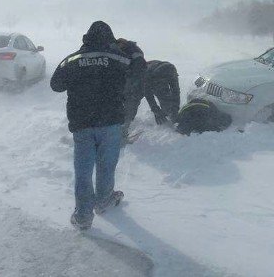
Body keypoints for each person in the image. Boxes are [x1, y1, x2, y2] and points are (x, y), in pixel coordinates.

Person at [50, 21, 130, 230]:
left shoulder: (73, 59)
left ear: (86, 38)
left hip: (83, 123)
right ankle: (104, 201)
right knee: (107, 164)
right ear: (110, 39)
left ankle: (84, 215)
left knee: (83, 170)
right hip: (110, 122)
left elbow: (56, 85)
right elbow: (136, 77)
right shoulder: (119, 59)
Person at [115, 38, 147, 139]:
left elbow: (138, 68)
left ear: (123, 43)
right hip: (130, 85)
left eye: (119, 45)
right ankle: (121, 130)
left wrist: (130, 80)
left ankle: (123, 132)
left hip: (135, 85)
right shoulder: (129, 51)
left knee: (130, 108)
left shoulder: (134, 51)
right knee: (126, 108)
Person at [143, 60, 180, 125]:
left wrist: (175, 107)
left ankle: (172, 118)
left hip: (161, 70)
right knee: (134, 96)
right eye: (159, 83)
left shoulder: (171, 72)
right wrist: (155, 110)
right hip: (144, 72)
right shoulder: (148, 76)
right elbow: (148, 94)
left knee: (168, 103)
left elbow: (176, 92)